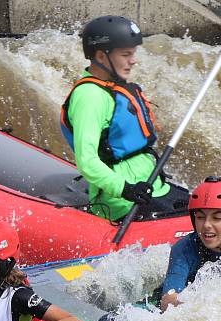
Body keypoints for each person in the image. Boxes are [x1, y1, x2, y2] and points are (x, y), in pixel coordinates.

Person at [60, 15, 187, 221]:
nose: (133, 60)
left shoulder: (112, 86)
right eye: (126, 54)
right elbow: (87, 161)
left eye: (133, 53)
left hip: (152, 187)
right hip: (124, 202)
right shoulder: (90, 98)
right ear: (101, 56)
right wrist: (125, 189)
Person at [160, 176, 221, 311]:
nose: (206, 225)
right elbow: (168, 300)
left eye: (217, 218)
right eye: (200, 217)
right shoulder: (184, 248)